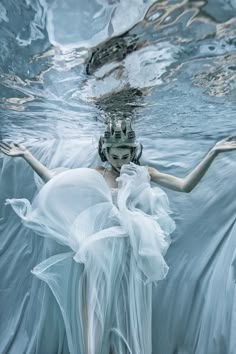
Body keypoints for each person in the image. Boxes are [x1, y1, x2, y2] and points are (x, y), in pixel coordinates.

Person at [0, 119, 236, 354]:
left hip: (130, 252)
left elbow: (185, 186)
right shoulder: (97, 172)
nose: (121, 163)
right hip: (97, 251)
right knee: (92, 312)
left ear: (133, 152)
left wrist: (213, 154)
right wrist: (27, 156)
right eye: (115, 157)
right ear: (105, 152)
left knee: (126, 311)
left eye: (125, 157)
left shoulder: (143, 172)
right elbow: (55, 180)